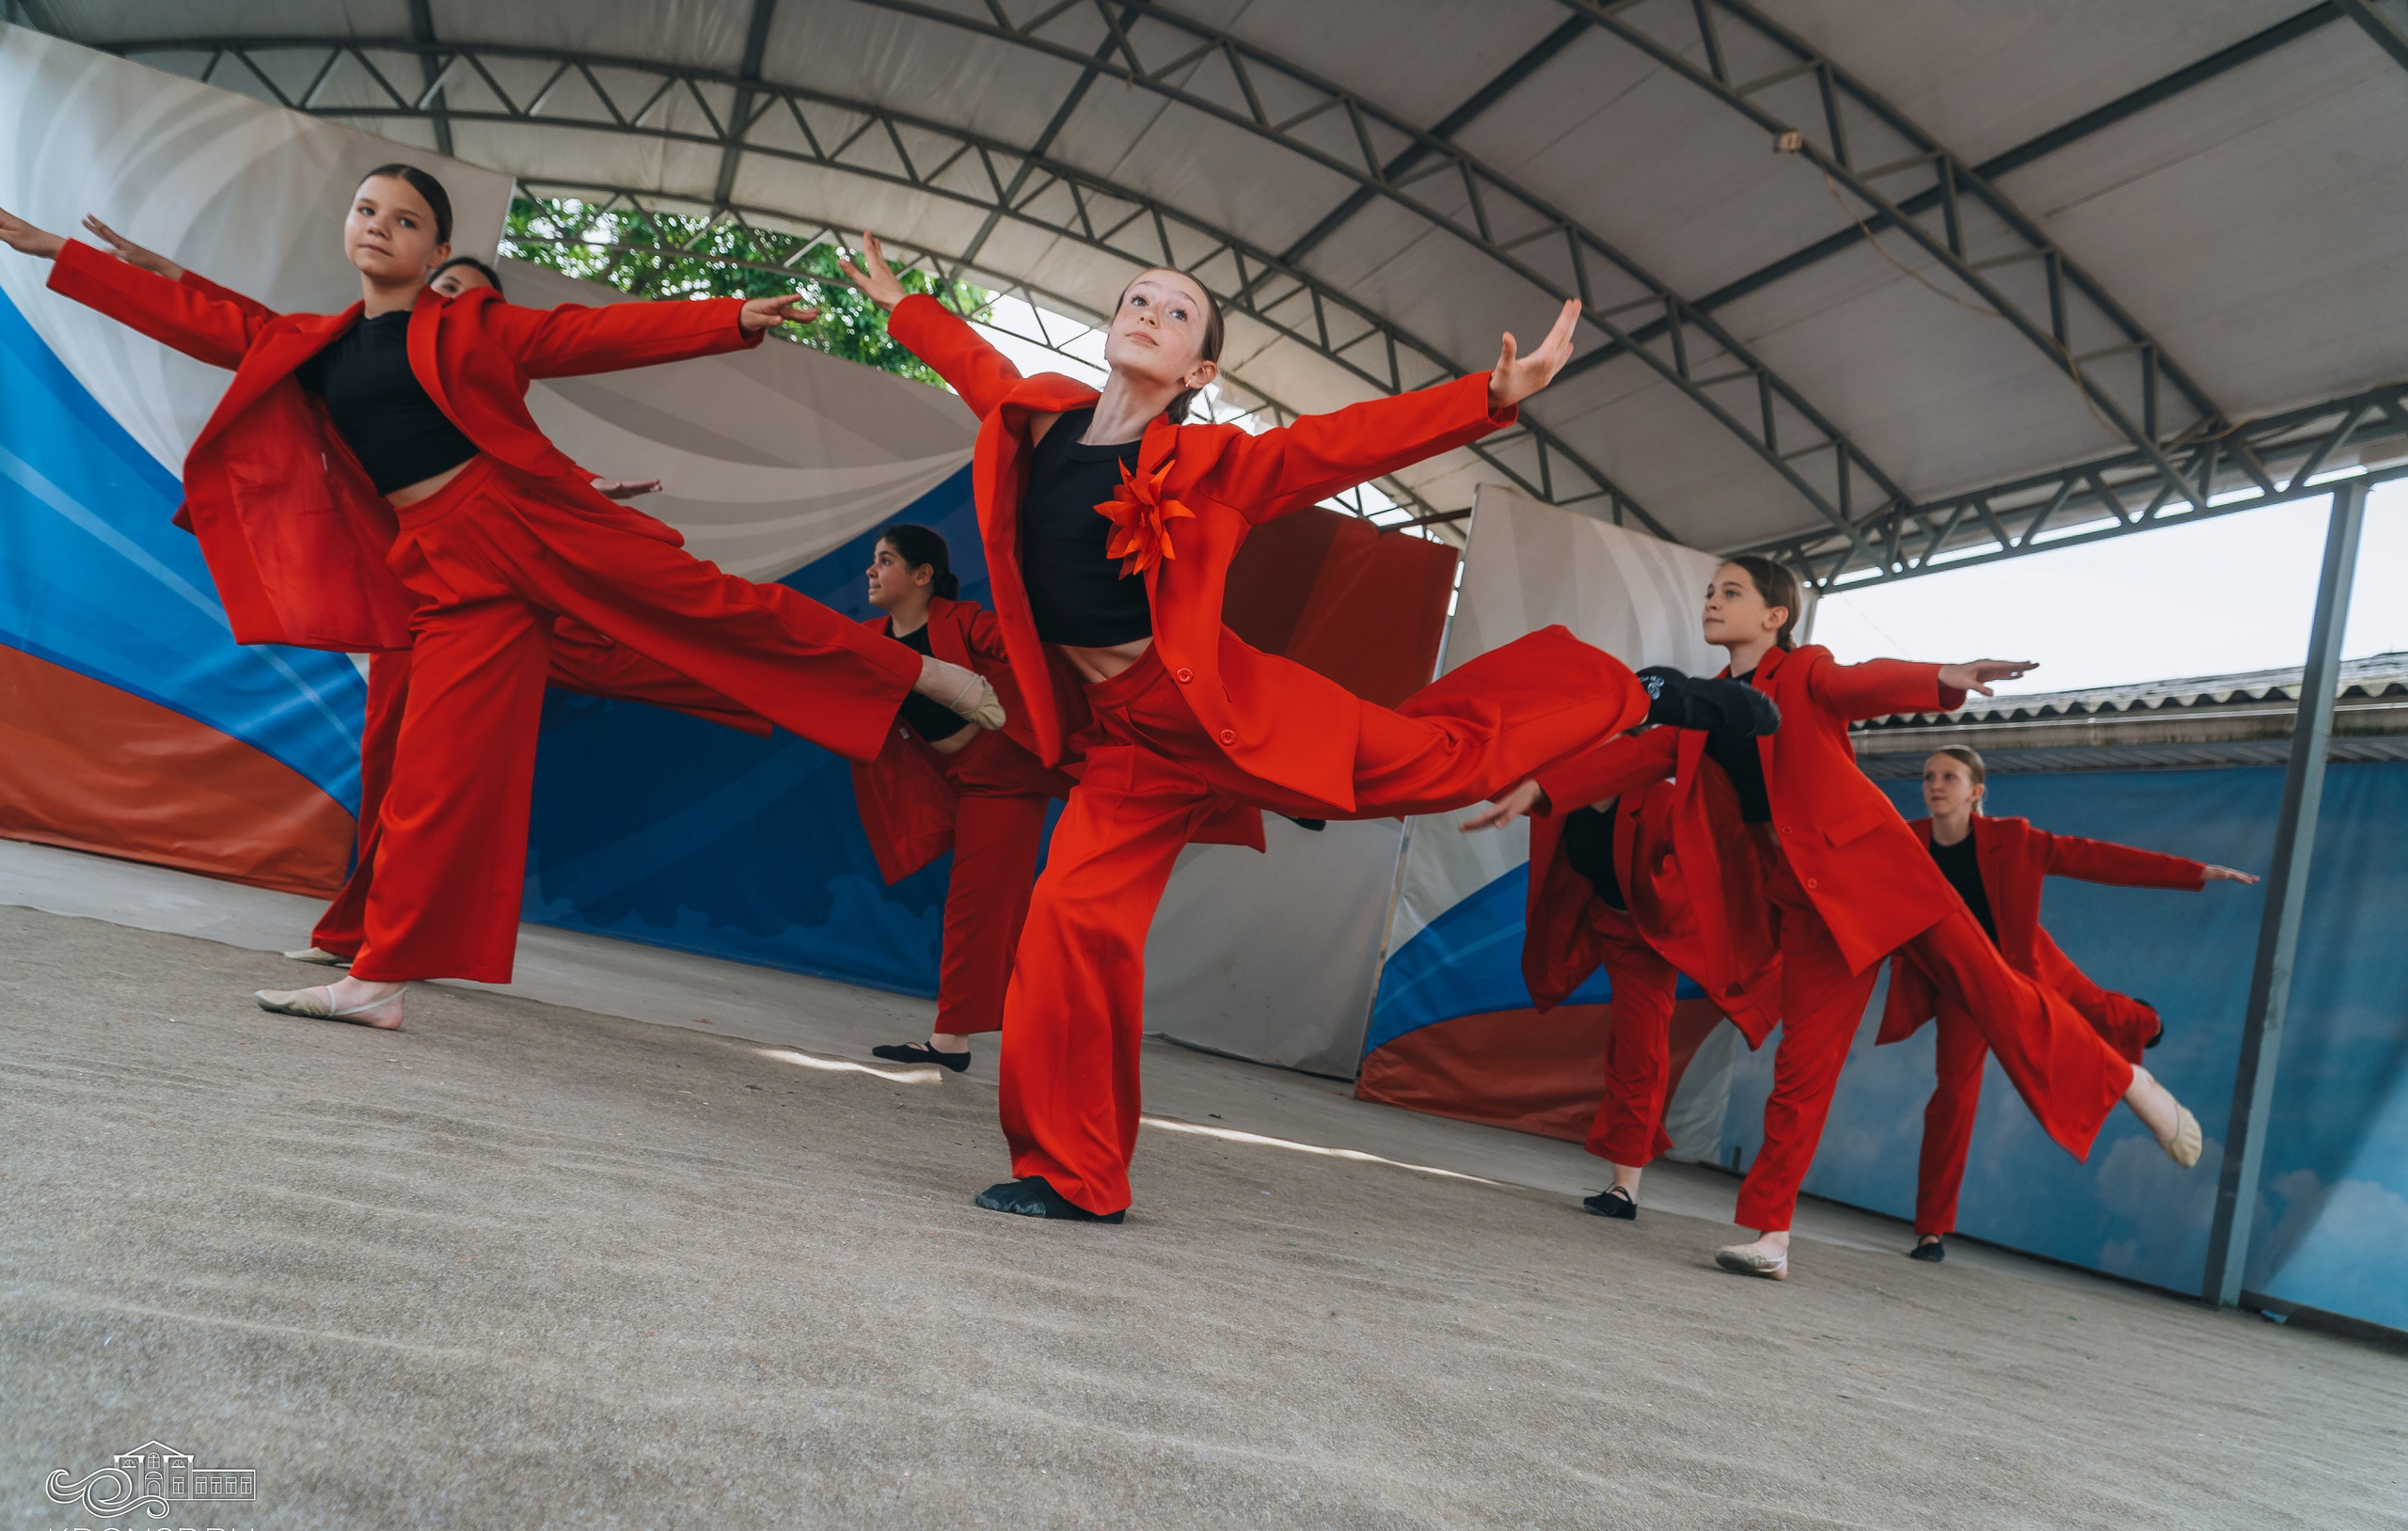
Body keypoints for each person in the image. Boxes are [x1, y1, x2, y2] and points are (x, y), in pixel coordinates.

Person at [844, 230, 1719, 1223]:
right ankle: (1073, 1175)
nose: (1150, 313)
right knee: (1065, 931)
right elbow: (977, 364)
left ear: (1197, 369)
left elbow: (1342, 441)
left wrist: (1492, 396)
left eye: (1176, 314)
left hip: (1226, 712)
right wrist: (900, 305)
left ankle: (1627, 690)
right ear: (1108, 327)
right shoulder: (1035, 420)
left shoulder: (1215, 462)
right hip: (1128, 745)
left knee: (1444, 762)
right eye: (1138, 299)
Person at [0, 169, 1006, 1030]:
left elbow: (584, 334)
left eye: (404, 220)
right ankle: (379, 978)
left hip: (524, 521)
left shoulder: (469, 325)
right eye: (366, 211)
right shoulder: (316, 342)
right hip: (444, 564)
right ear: (346, 229)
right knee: (432, 766)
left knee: (720, 610)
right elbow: (210, 321)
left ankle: (925, 675)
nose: (378, 228)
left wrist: (728, 320)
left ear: (438, 246)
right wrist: (60, 253)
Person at [1465, 558, 2205, 1280]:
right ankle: (1771, 1234)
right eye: (1710, 592)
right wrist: (1539, 790)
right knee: (1801, 1068)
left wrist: (1943, 678)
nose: (1713, 602)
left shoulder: (1805, 670)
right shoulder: (1702, 708)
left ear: (1775, 616)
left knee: (1995, 994)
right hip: (1808, 906)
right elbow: (1634, 758)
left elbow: (1862, 682)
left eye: (1731, 592)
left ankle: (2126, 1080)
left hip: (1881, 875)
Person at [71, 219, 741, 967]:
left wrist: (587, 483)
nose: (450, 302)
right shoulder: (364, 355)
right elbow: (251, 330)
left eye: (467, 297)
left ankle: (812, 699)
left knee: (643, 654)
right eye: (445, 288)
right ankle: (368, 938)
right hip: (418, 595)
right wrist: (159, 270)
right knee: (400, 769)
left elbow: (528, 440)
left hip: (500, 578)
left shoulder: (473, 375)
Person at [1881, 745, 2258, 1262]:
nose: (1935, 785)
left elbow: (2095, 857)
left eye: (1949, 776)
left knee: (2100, 1012)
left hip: (2030, 965)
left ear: (1976, 792)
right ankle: (1931, 1230)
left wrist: (2193, 872)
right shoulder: (1905, 841)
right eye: (1928, 776)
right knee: (1953, 1096)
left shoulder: (2013, 840)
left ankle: (2145, 1024)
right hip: (1963, 991)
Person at [1513, 669, 1782, 1222]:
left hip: (1653, 932)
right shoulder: (1559, 791)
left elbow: (1718, 857)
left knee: (1638, 1051)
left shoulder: (1659, 796)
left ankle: (1625, 1188)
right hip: (1601, 922)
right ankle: (1627, 1171)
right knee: (1626, 1048)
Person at [852, 523, 1070, 1073]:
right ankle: (953, 1043)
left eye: (886, 561)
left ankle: (958, 1041)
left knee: (980, 907)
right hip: (953, 780)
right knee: (977, 908)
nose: (872, 571)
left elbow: (1022, 647)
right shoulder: (871, 637)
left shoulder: (963, 621)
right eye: (873, 561)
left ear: (924, 575)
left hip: (1008, 775)